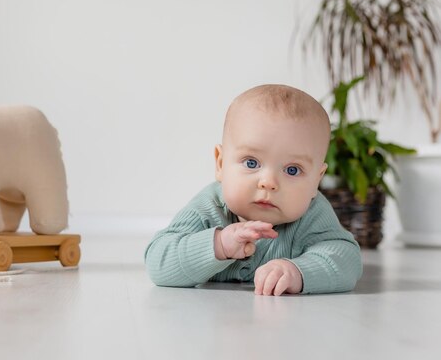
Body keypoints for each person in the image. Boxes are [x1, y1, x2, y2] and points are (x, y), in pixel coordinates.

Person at [144, 84, 362, 295]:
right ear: (221, 164)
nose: (268, 182)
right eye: (251, 163)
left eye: (293, 170)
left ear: (316, 180)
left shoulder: (313, 214)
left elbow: (347, 259)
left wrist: (299, 272)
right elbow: (158, 261)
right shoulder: (208, 208)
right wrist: (219, 244)